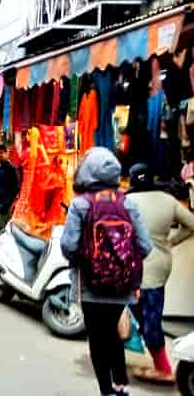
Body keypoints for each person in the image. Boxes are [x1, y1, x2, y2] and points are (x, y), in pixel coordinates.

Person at [60, 148, 153, 396]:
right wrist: (122, 264)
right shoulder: (128, 204)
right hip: (121, 288)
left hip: (89, 286)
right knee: (113, 334)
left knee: (97, 338)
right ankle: (122, 387)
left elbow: (68, 247)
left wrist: (89, 260)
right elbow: (145, 246)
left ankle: (106, 391)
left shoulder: (80, 204)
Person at [125, 163, 194, 383]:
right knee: (149, 314)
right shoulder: (168, 201)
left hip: (136, 266)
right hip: (160, 266)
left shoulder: (127, 202)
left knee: (146, 318)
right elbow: (192, 224)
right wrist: (171, 241)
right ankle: (158, 358)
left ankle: (163, 368)